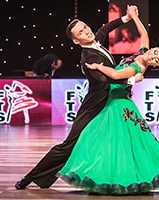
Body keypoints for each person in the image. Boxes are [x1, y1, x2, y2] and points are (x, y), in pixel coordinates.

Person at [57, 8, 159, 196]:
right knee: (112, 144)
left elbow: (115, 74)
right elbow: (144, 34)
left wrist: (98, 66)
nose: (153, 56)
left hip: (119, 105)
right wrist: (134, 17)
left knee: (130, 145)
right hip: (112, 103)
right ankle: (106, 176)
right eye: (155, 52)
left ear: (154, 65)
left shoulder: (138, 67)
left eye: (156, 60)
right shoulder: (143, 52)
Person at [15, 5, 143, 190]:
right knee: (69, 145)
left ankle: (112, 178)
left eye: (85, 27)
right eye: (81, 32)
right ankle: (30, 177)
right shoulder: (88, 57)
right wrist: (132, 79)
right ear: (76, 40)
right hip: (94, 107)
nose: (86, 31)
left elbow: (103, 29)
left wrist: (126, 18)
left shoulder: (95, 42)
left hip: (108, 103)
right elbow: (105, 80)